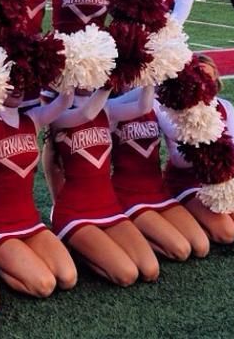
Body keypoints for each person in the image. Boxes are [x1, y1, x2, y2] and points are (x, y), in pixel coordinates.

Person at [45, 86, 160, 286]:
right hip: (75, 212)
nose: (87, 80)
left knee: (150, 270)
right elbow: (86, 113)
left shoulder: (107, 109)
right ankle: (79, 249)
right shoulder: (58, 114)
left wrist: (151, 77)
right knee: (126, 275)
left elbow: (144, 106)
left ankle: (89, 249)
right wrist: (107, 85)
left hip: (109, 207)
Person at [0, 85, 78, 297]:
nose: (18, 88)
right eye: (10, 83)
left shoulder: (32, 119)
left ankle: (16, 260)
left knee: (68, 278)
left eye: (22, 82)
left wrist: (66, 78)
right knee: (44, 285)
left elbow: (64, 102)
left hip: (30, 222)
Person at [159, 55, 234, 244]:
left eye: (209, 76)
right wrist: (207, 158)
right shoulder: (175, 110)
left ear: (215, 77)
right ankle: (183, 216)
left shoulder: (225, 106)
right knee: (226, 234)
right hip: (186, 179)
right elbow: (177, 158)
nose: (204, 82)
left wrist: (222, 173)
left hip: (219, 180)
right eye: (198, 76)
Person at [111, 93, 211, 259]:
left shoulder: (154, 104)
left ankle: (146, 231)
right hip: (128, 193)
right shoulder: (110, 106)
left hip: (158, 190)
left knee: (201, 247)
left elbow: (177, 134)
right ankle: (133, 234)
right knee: (180, 251)